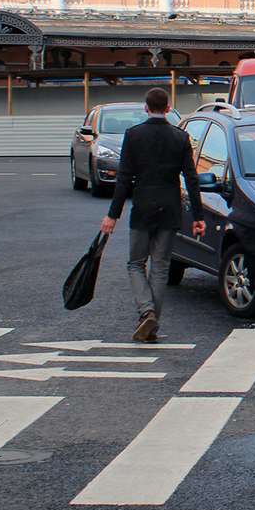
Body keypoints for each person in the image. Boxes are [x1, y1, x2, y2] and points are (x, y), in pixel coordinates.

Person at [100, 87, 205, 342]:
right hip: (170, 208)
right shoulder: (180, 137)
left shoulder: (134, 136)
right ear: (168, 108)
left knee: (136, 263)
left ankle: (145, 311)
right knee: (160, 267)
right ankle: (151, 322)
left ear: (145, 108)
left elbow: (124, 179)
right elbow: (191, 178)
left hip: (143, 206)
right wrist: (199, 216)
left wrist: (112, 215)